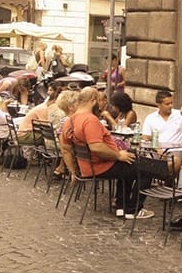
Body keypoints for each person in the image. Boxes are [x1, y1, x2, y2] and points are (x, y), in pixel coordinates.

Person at [59, 87, 153, 220]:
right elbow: (96, 147)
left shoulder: (70, 120)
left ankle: (122, 206)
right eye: (99, 99)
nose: (104, 103)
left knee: (130, 161)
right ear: (93, 100)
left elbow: (65, 149)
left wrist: (73, 171)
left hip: (90, 166)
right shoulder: (90, 120)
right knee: (146, 168)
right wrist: (118, 155)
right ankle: (133, 210)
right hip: (101, 166)